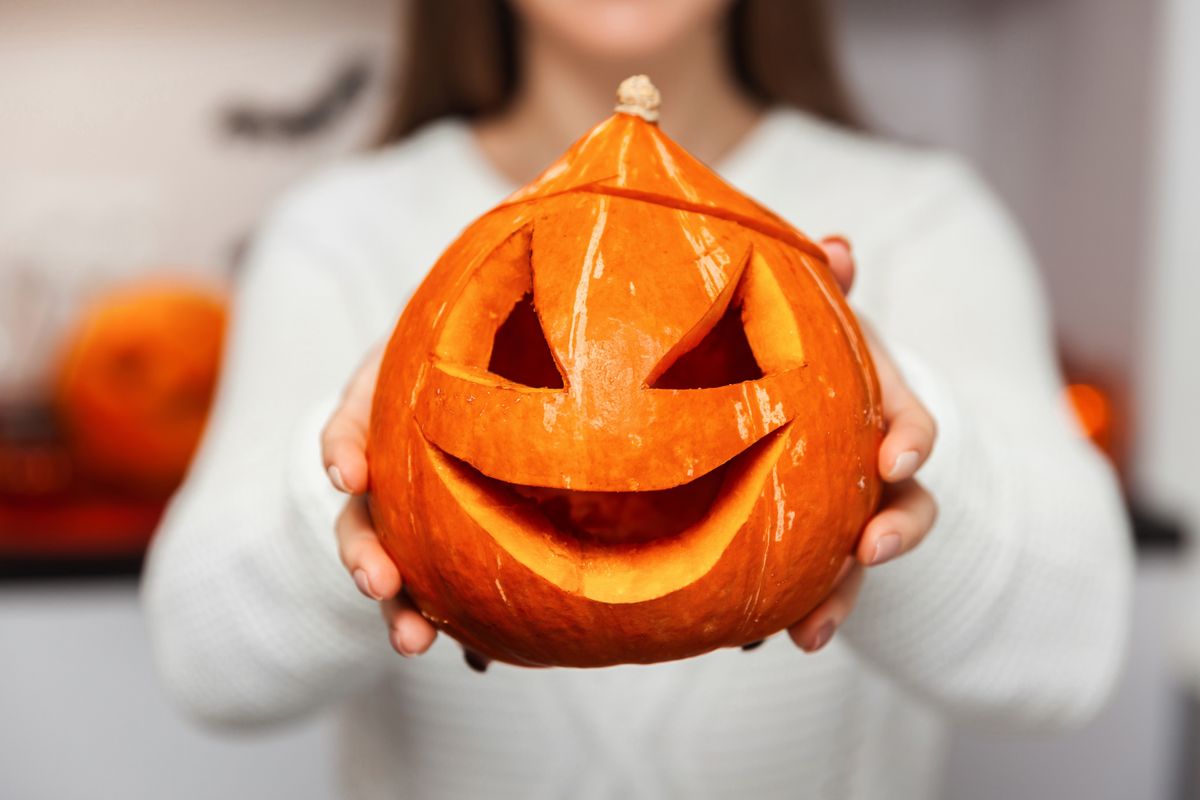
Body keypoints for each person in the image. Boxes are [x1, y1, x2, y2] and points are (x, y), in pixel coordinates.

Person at [141, 1, 1133, 797]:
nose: (608, 428)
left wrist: (887, 433)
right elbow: (201, 658)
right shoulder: (339, 232)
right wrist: (354, 485)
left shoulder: (925, 219)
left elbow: (1074, 651)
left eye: (717, 341)